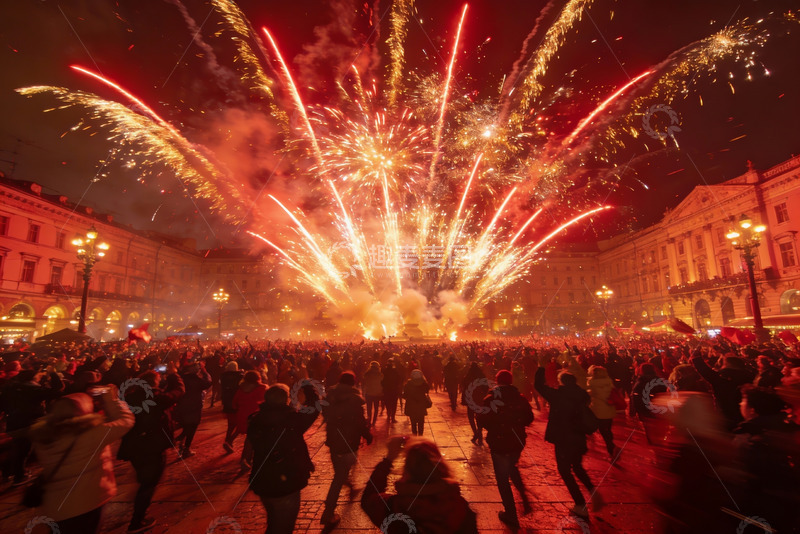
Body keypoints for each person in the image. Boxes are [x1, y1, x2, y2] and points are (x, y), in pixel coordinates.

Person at [30, 387, 134, 533]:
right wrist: (112, 399)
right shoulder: (90, 434)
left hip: (55, 505)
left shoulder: (43, 437)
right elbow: (125, 421)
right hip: (85, 502)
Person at [361, 436, 478, 534]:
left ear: (407, 472)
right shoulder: (458, 507)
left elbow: (369, 499)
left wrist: (389, 458)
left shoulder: (396, 507)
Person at [117, 369, 185, 533]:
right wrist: (174, 374)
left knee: (144, 480)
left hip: (135, 447)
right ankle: (137, 521)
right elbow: (179, 392)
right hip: (151, 446)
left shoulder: (130, 398)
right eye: (159, 378)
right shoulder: (156, 397)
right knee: (148, 484)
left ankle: (141, 512)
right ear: (154, 382)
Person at [247, 384, 320, 534]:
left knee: (273, 522)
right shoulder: (292, 420)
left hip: (263, 480)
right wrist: (309, 389)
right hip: (286, 481)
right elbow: (314, 409)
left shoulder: (256, 420)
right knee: (284, 527)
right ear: (285, 400)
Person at [535, 365, 603, 519]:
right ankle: (593, 491)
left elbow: (539, 386)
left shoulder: (558, 395)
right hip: (578, 437)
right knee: (577, 467)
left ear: (562, 382)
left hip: (563, 437)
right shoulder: (583, 395)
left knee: (564, 470)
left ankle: (580, 504)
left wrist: (540, 369)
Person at [477, 370, 534, 527]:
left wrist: (496, 427)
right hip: (517, 441)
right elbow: (530, 417)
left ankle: (511, 513)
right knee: (512, 467)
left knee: (502, 479)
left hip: (500, 442)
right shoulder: (520, 398)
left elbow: (482, 418)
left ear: (497, 381)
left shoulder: (491, 398)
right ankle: (524, 496)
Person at [320, 371, 373, 526]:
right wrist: (367, 435)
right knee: (339, 478)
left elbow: (325, 414)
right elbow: (359, 421)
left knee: (340, 471)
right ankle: (328, 512)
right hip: (349, 441)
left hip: (334, 439)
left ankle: (349, 485)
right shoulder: (355, 400)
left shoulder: (329, 396)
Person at [173, 360, 212, 458]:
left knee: (187, 425)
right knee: (192, 426)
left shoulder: (182, 379)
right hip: (194, 406)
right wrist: (205, 372)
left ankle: (181, 442)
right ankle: (186, 447)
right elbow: (208, 383)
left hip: (183, 406)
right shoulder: (196, 380)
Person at [231, 371, 268, 469]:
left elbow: (234, 404)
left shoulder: (241, 389)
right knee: (252, 438)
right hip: (255, 416)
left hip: (242, 415)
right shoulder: (262, 388)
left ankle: (246, 458)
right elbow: (265, 401)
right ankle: (245, 459)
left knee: (250, 437)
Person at [586, 365, 618, 461]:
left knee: (603, 431)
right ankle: (611, 446)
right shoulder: (609, 381)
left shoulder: (592, 382)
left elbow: (589, 393)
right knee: (608, 429)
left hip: (599, 410)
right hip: (609, 408)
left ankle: (612, 449)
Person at [220, 360, 244, 453]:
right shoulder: (239, 376)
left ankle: (227, 441)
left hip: (227, 403)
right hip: (237, 403)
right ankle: (229, 441)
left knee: (231, 425)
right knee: (240, 424)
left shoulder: (223, 377)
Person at [461, 362, 488, 444]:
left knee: (471, 417)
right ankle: (479, 434)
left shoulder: (468, 376)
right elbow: (486, 387)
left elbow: (464, 387)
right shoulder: (482, 376)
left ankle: (475, 433)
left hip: (470, 399)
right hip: (480, 399)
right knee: (479, 417)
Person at [402, 369, 430, 436]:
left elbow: (405, 395)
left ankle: (415, 436)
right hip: (421, 406)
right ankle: (420, 436)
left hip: (412, 406)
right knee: (421, 423)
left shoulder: (408, 384)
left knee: (413, 423)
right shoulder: (424, 384)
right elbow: (427, 391)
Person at [361, 361, 383, 427]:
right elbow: (382, 384)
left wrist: (363, 391)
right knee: (376, 408)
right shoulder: (380, 374)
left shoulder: (367, 374)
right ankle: (374, 421)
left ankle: (369, 420)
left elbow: (364, 383)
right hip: (377, 393)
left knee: (369, 408)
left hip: (368, 393)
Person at [382, 359, 403, 423]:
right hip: (394, 390)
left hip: (386, 390)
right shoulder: (395, 371)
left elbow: (382, 381)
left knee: (388, 404)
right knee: (394, 404)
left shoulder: (384, 372)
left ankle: (389, 416)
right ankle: (392, 417)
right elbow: (399, 380)